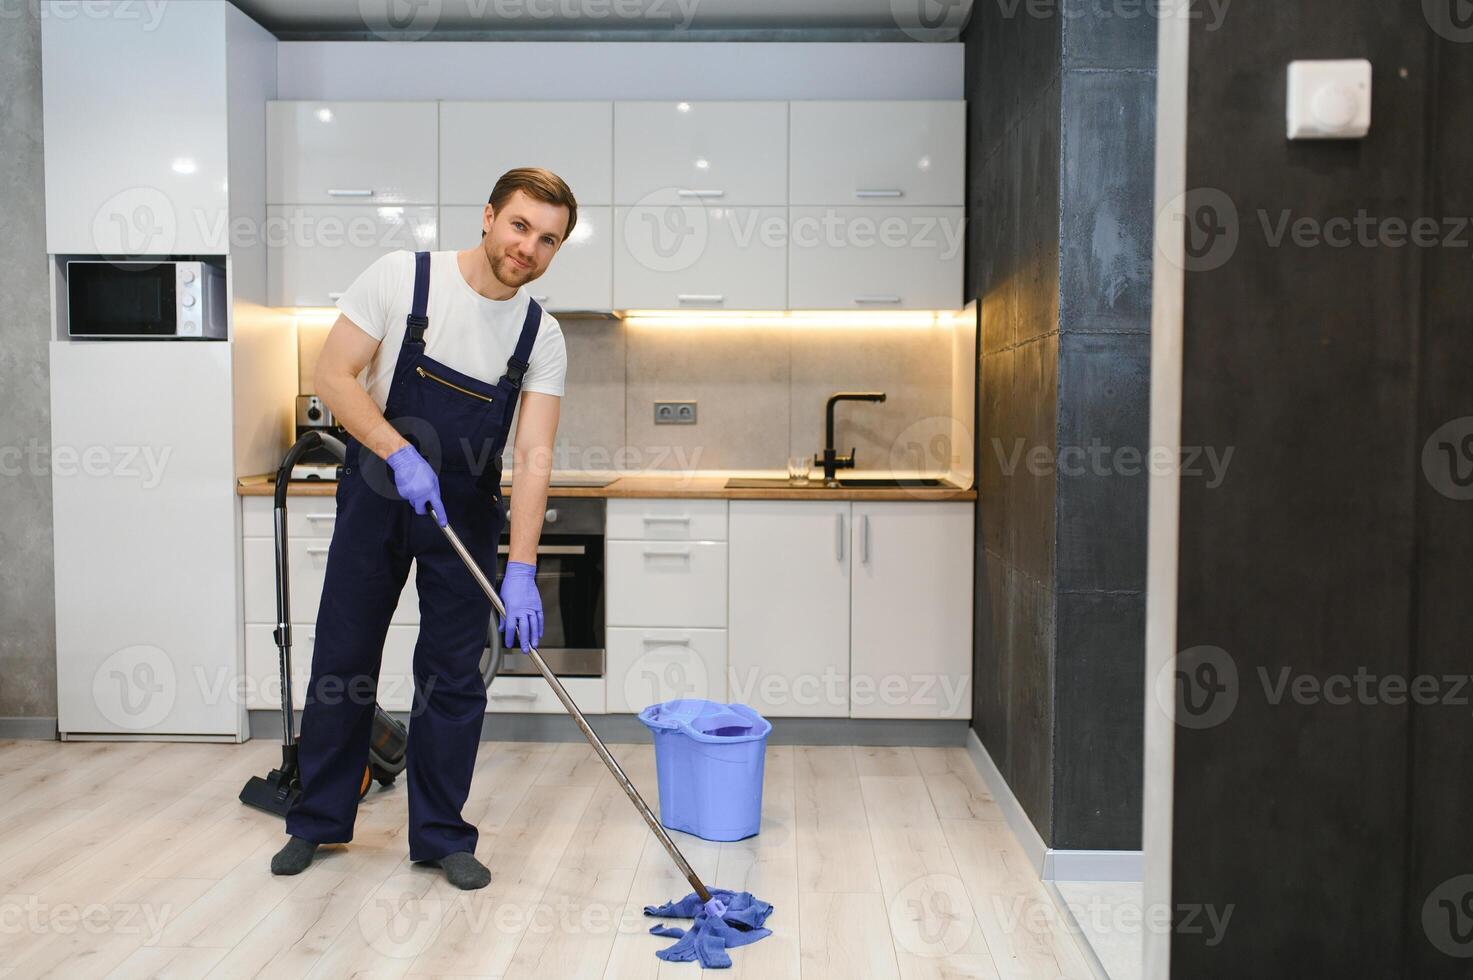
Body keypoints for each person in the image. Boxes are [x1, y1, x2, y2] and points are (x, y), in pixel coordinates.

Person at [268, 168, 574, 889]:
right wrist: (397, 452)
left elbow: (533, 457)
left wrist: (522, 567)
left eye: (548, 240)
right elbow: (334, 376)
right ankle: (317, 821)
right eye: (520, 225)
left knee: (453, 680)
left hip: (464, 513)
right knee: (342, 661)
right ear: (489, 215)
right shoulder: (402, 279)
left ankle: (439, 835)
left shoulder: (541, 335)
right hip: (378, 491)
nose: (527, 247)